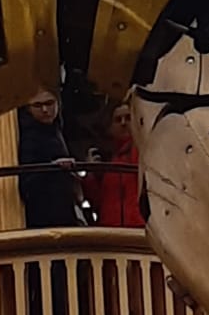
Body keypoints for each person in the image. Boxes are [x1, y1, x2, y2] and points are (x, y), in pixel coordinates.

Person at [17, 89, 83, 229]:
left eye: (49, 103)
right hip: (43, 213)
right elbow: (26, 181)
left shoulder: (57, 130)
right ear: (28, 109)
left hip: (62, 207)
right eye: (38, 105)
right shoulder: (28, 137)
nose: (45, 110)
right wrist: (53, 167)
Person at [90, 98, 145, 228]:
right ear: (110, 128)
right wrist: (92, 175)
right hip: (110, 227)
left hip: (138, 226)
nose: (123, 123)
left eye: (128, 118)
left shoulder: (143, 149)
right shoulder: (110, 158)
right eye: (118, 119)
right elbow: (97, 200)